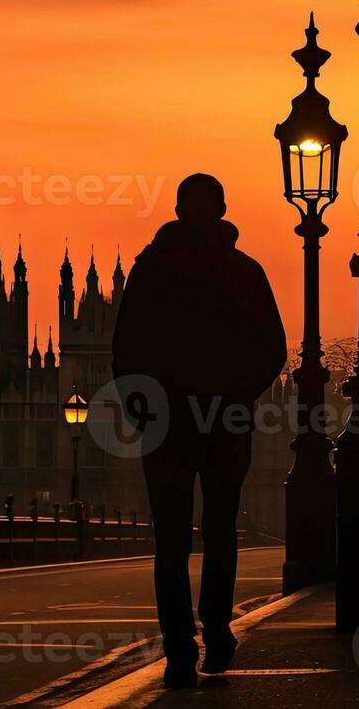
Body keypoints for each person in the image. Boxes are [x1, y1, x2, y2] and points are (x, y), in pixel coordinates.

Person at [111, 174, 287, 689]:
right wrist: (238, 398)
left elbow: (124, 351)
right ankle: (216, 629)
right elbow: (272, 348)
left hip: (167, 423)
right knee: (220, 531)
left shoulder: (150, 271)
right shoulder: (244, 271)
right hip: (224, 421)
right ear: (223, 211)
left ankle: (179, 650)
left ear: (178, 210)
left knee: (170, 542)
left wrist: (144, 408)